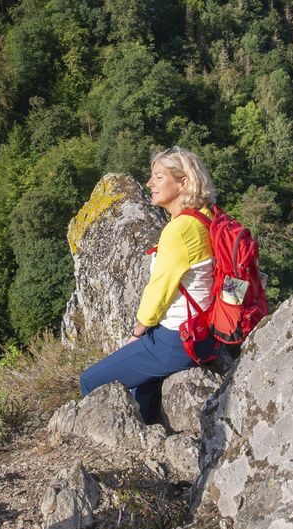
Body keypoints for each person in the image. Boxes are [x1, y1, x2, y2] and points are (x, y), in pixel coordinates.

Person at [79, 146, 216, 423]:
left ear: (183, 182)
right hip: (202, 332)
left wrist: (137, 332)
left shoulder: (178, 230)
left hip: (175, 340)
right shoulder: (205, 217)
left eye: (158, 177)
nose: (149, 184)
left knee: (90, 380)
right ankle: (147, 429)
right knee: (143, 388)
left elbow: (159, 289)